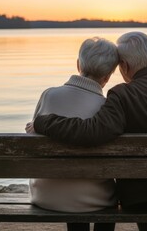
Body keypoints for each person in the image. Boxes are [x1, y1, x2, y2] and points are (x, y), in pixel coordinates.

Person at [33, 31, 147, 231]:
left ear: (124, 66)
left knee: (142, 187)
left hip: (141, 200)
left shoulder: (122, 94)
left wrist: (43, 122)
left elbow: (94, 131)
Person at [25, 37, 119, 231]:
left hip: (46, 196)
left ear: (78, 65)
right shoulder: (106, 109)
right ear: (109, 76)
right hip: (97, 199)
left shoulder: (49, 95)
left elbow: (33, 142)